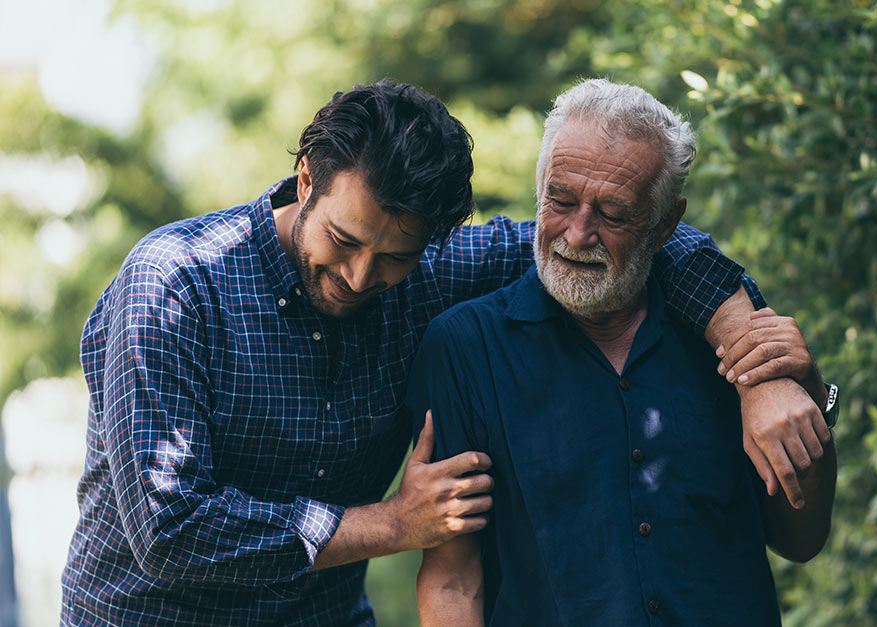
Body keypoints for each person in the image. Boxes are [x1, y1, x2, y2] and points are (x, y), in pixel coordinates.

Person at [61, 79, 828, 625]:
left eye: (393, 257)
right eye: (344, 239)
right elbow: (169, 528)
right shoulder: (174, 286)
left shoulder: (430, 272)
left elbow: (646, 242)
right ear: (306, 181)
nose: (361, 278)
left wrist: (754, 363)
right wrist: (394, 523)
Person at [410, 79, 838, 627]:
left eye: (613, 215)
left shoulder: (729, 330)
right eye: (560, 202)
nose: (579, 234)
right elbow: (452, 576)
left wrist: (805, 392)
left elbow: (800, 540)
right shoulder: (465, 347)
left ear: (665, 225)